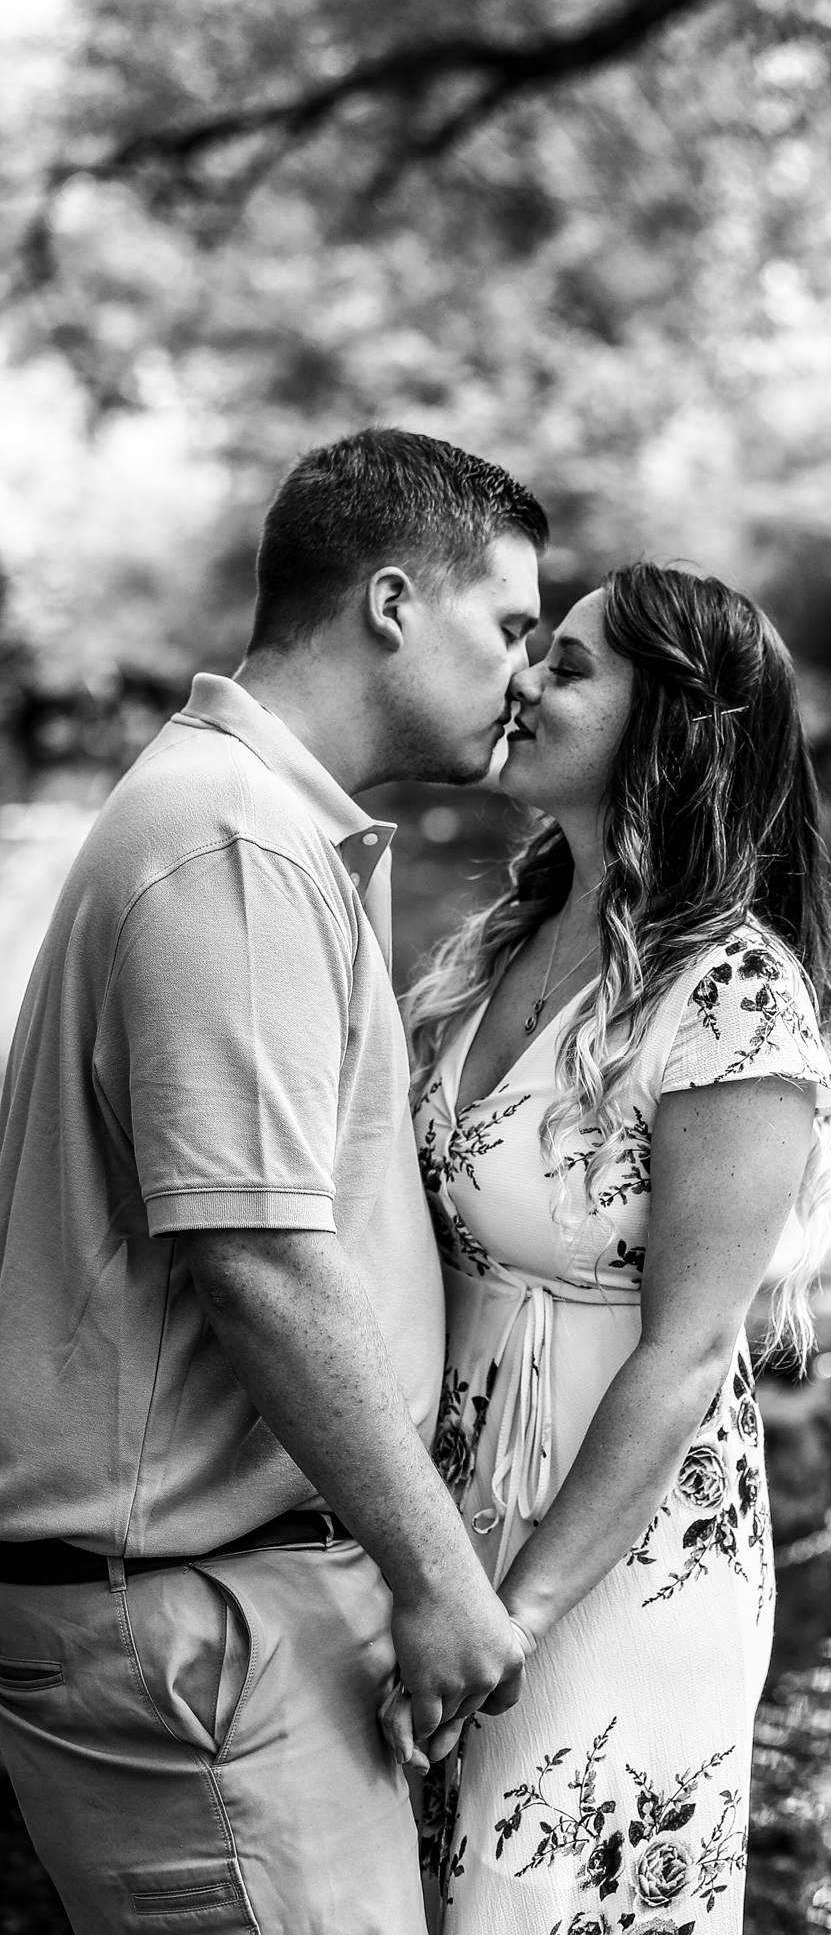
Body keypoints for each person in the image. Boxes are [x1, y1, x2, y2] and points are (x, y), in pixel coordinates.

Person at [0, 428, 548, 1934]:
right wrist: (439, 1579)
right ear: (389, 603)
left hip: (228, 1604)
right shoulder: (230, 841)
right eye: (508, 625)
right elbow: (251, 1257)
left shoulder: (254, 822)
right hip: (197, 1622)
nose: (526, 673)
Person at [397, 561, 831, 1933]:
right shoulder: (509, 937)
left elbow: (691, 1346)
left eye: (574, 663)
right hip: (451, 1512)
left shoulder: (730, 999)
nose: (526, 679)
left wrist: (516, 1615)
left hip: (610, 1560)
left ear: (678, 723)